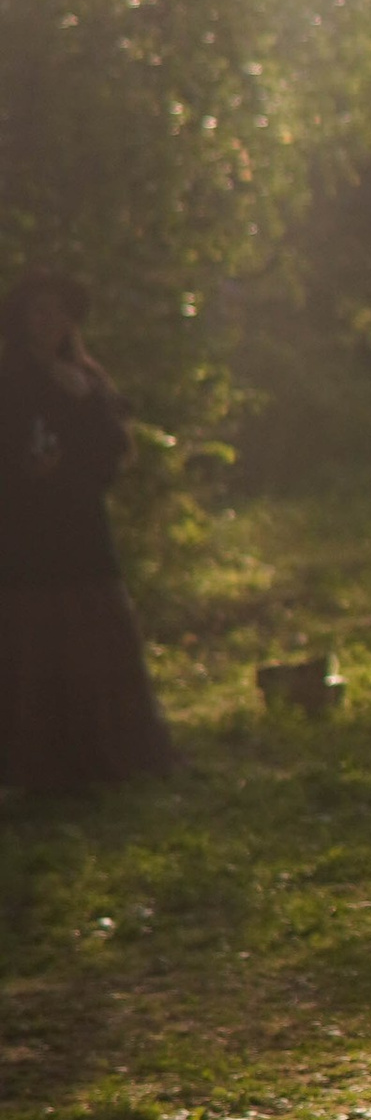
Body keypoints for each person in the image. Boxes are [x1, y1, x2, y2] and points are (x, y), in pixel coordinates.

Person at [0, 272, 178, 796]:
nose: (47, 321)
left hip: (80, 523)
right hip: (25, 528)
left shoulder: (87, 380)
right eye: (37, 312)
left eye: (56, 312)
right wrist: (27, 472)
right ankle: (33, 758)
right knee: (30, 633)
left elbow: (111, 451)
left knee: (93, 626)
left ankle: (104, 751)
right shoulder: (8, 379)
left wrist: (72, 460)